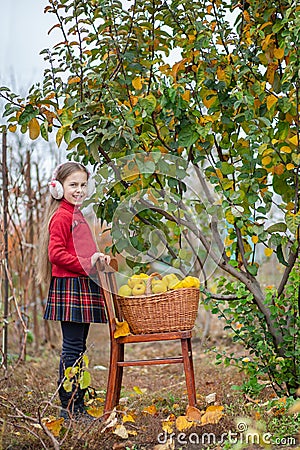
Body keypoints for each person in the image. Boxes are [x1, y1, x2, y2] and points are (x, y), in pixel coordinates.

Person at [37, 161, 110, 420]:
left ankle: (78, 401)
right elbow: (55, 254)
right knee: (71, 347)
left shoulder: (76, 214)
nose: (79, 190)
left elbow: (80, 250)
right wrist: (85, 264)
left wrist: (97, 258)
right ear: (58, 187)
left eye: (82, 185)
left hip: (80, 285)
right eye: (73, 185)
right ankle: (69, 407)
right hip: (70, 286)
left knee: (79, 347)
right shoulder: (62, 216)